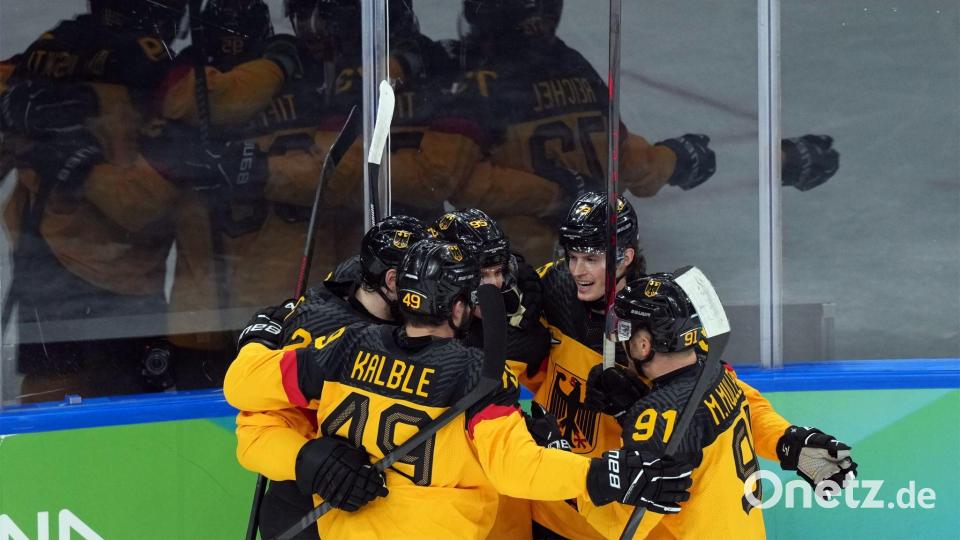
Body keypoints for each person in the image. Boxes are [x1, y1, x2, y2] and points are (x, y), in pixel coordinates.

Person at [225, 238, 693, 539]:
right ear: (457, 309)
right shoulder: (476, 375)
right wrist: (602, 474)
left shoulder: (343, 345)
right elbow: (516, 469)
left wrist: (259, 342)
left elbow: (241, 389)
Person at [526, 191, 856, 502]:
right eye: (572, 257)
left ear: (625, 257)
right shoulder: (552, 287)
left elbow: (718, 397)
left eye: (590, 258)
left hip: (612, 503)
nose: (576, 270)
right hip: (552, 492)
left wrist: (786, 441)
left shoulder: (664, 316)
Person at [0, 0, 190, 401]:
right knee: (112, 397)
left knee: (59, 392)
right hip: (108, 267)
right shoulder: (156, 65)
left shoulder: (51, 47)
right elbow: (143, 203)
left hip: (54, 255)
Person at [233, 214, 428, 540]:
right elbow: (251, 425)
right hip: (311, 514)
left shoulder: (402, 307)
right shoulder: (319, 332)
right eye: (420, 280)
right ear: (393, 281)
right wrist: (307, 459)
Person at [579, 271, 769, 538]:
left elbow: (620, 526)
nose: (621, 343)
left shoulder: (658, 414)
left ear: (643, 345)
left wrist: (572, 470)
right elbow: (688, 434)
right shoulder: (715, 373)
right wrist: (631, 409)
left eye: (625, 332)